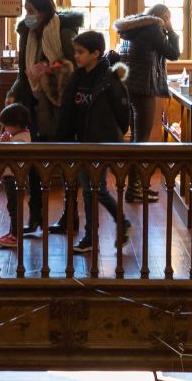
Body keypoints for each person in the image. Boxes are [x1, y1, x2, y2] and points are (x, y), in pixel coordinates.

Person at [8, 0, 80, 234]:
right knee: (33, 165)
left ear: (44, 11)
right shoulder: (26, 34)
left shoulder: (63, 32)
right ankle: (35, 215)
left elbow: (74, 69)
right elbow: (22, 73)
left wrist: (50, 70)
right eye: (26, 11)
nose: (28, 16)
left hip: (60, 109)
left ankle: (71, 217)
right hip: (33, 107)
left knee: (66, 163)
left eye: (32, 11)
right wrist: (14, 92)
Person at [63, 31, 132, 255]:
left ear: (96, 53)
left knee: (97, 189)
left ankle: (117, 225)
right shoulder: (78, 77)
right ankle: (93, 235)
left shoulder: (110, 79)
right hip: (82, 140)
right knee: (89, 191)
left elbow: (123, 112)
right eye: (76, 52)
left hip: (100, 141)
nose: (76, 56)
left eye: (81, 52)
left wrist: (113, 135)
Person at [114, 3, 180, 201]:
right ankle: (134, 189)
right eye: (168, 18)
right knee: (141, 141)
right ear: (163, 17)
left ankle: (138, 186)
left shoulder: (134, 28)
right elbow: (174, 53)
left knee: (137, 138)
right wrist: (172, 31)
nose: (168, 22)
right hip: (143, 88)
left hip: (131, 88)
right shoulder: (153, 28)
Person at [0, 104, 34, 250]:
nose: (5, 130)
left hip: (15, 178)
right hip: (10, 177)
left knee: (14, 208)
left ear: (16, 125)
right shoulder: (18, 136)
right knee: (12, 206)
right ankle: (12, 233)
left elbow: (12, 154)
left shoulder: (21, 139)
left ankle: (15, 236)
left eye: (6, 126)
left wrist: (2, 144)